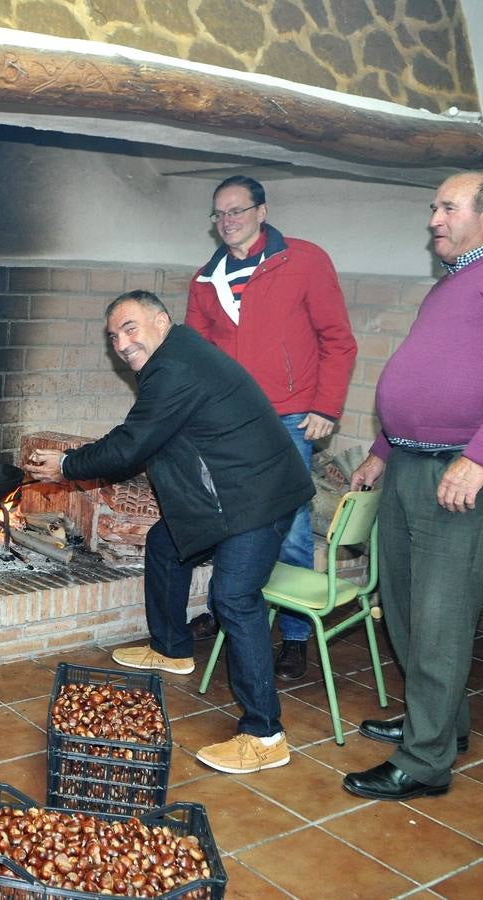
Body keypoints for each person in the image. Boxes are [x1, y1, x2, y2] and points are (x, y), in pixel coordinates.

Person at [24, 290, 312, 774]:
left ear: (161, 321)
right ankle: (171, 648)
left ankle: (265, 735)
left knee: (235, 599)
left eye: (131, 328)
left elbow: (132, 443)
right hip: (238, 488)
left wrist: (69, 464)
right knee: (165, 544)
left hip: (255, 497)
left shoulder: (175, 366)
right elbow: (149, 437)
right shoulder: (178, 356)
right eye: (114, 336)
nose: (122, 342)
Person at [342, 172, 483, 801]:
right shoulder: (456, 282)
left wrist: (480, 458)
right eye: (433, 207)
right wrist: (380, 450)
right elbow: (423, 374)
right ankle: (440, 726)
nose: (432, 219)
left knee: (440, 616)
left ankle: (424, 763)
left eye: (446, 207)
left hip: (461, 470)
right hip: (409, 463)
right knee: (399, 601)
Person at [185, 175, 357, 680]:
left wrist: (326, 405)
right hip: (229, 422)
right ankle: (236, 613)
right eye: (219, 214)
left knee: (292, 525)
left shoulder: (303, 259)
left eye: (237, 210)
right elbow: (198, 357)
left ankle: (297, 637)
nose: (228, 221)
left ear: (262, 211)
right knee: (232, 518)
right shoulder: (205, 279)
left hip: (288, 416)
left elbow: (338, 340)